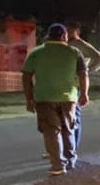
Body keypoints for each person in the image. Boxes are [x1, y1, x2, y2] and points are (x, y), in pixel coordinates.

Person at [22, 23, 89, 177]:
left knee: (51, 132)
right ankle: (70, 159)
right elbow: (83, 74)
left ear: (48, 36)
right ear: (64, 36)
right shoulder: (74, 52)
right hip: (69, 98)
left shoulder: (36, 53)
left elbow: (26, 76)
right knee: (68, 129)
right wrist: (84, 94)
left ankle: (58, 165)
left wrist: (29, 98)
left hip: (44, 98)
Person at [66, 22, 100, 152]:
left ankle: (73, 148)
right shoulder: (64, 44)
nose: (67, 31)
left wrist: (87, 69)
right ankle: (61, 148)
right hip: (65, 84)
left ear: (77, 31)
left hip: (77, 85)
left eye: (70, 29)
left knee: (74, 118)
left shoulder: (81, 45)